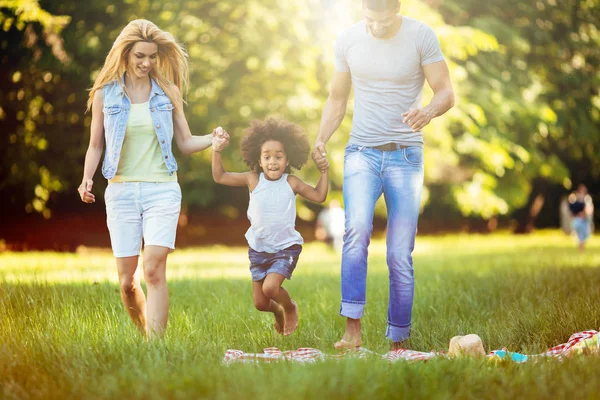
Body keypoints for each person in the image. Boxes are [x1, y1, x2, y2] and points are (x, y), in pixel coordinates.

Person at [312, 0, 454, 349]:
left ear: (397, 9)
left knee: (399, 252)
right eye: (369, 19)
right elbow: (337, 97)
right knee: (356, 232)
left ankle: (398, 342)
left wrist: (430, 111)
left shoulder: (421, 36)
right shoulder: (347, 40)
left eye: (383, 20)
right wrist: (320, 137)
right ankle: (352, 333)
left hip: (406, 156)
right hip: (361, 153)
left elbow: (446, 92)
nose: (376, 27)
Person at [77, 19, 229, 339]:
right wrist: (86, 179)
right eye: (140, 56)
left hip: (162, 189)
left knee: (153, 268)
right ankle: (145, 332)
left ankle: (156, 347)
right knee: (126, 281)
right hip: (121, 191)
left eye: (153, 56)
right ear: (125, 54)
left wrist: (212, 139)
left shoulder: (167, 93)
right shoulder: (107, 95)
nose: (147, 63)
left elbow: (185, 143)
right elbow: (95, 145)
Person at [212, 118, 328, 335]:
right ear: (259, 159)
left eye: (278, 156)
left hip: (285, 247)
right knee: (260, 303)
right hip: (258, 249)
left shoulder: (291, 182)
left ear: (287, 160)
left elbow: (320, 196)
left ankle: (290, 307)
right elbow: (220, 176)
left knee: (271, 288)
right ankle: (278, 312)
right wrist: (216, 151)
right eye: (267, 157)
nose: (273, 161)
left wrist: (323, 171)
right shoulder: (252, 179)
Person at [568, 184, 594, 251]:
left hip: (584, 220)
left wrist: (585, 214)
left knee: (584, 235)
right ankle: (581, 249)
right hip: (578, 220)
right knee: (581, 235)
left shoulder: (587, 199)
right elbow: (572, 211)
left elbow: (589, 209)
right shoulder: (574, 199)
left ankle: (581, 248)